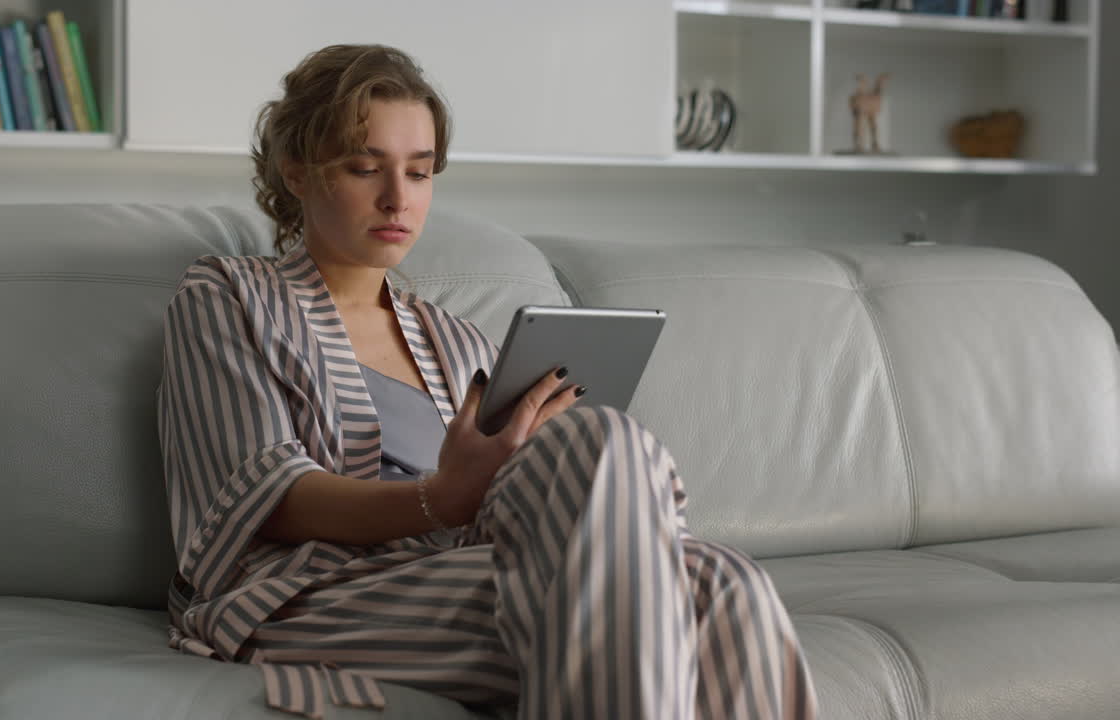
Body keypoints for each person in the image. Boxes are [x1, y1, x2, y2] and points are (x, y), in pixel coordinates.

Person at [158, 44, 818, 720]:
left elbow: (511, 505)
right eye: (365, 168)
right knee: (655, 568)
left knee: (717, 574)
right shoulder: (230, 296)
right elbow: (268, 497)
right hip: (311, 590)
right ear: (295, 172)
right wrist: (441, 497)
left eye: (419, 173)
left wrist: (559, 474)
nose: (398, 199)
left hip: (463, 565)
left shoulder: (459, 341)